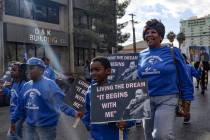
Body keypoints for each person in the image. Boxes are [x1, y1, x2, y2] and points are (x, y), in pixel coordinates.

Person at [138, 19, 193, 140]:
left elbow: (185, 77)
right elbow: (136, 79)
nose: (149, 35)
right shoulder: (141, 55)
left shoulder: (173, 51)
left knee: (161, 135)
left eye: (153, 32)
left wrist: (187, 101)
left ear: (161, 36)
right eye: (147, 33)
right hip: (145, 100)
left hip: (167, 99)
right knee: (149, 136)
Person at [10, 57, 83, 140]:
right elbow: (20, 107)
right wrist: (13, 121)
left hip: (46, 128)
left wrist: (74, 113)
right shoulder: (25, 86)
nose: (28, 70)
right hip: (30, 127)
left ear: (41, 70)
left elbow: (61, 103)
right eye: (27, 68)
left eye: (32, 68)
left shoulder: (50, 84)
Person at [82, 56, 133, 140]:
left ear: (108, 71)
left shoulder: (118, 90)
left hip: (116, 136)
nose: (93, 73)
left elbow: (131, 114)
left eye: (97, 70)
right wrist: (87, 123)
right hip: (96, 136)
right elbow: (87, 111)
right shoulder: (90, 90)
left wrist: (126, 123)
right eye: (91, 70)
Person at [2, 62, 27, 140]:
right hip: (14, 114)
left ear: (20, 72)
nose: (11, 71)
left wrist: (14, 120)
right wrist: (4, 89)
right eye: (11, 69)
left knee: (11, 136)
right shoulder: (14, 83)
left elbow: (21, 105)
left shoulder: (23, 85)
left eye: (14, 69)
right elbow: (12, 94)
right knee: (17, 136)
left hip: (19, 116)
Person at [182, 53, 201, 124]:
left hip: (188, 90)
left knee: (186, 105)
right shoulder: (176, 67)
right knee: (183, 105)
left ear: (185, 59)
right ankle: (186, 115)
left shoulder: (190, 67)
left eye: (182, 58)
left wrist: (199, 68)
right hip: (179, 90)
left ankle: (186, 116)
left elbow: (197, 75)